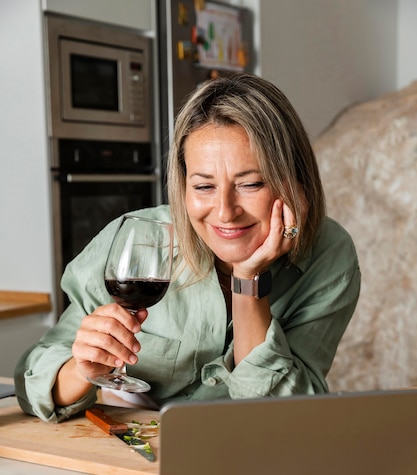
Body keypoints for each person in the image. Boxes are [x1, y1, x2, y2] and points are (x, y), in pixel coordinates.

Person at [14, 73, 360, 422]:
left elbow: (288, 417)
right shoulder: (137, 240)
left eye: (251, 183)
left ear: (295, 180)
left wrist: (248, 278)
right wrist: (82, 369)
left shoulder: (328, 257)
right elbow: (33, 384)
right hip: (130, 450)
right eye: (204, 187)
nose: (225, 211)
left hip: (248, 455)